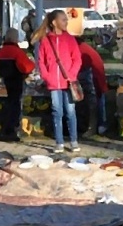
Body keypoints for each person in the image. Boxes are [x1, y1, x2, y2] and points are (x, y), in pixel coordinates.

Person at [32, 9, 84, 152]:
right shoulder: (45, 40)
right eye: (63, 19)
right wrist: (47, 77)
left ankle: (73, 140)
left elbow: (77, 59)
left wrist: (72, 75)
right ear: (54, 22)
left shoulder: (70, 39)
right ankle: (59, 142)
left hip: (68, 82)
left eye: (66, 19)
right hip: (53, 83)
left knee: (70, 111)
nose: (66, 22)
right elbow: (41, 61)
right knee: (57, 111)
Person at [0, 28, 35, 142]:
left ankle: (6, 129)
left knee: (10, 103)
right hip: (16, 80)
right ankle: (11, 130)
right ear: (15, 38)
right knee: (16, 105)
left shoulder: (1, 51)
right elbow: (27, 66)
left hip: (6, 81)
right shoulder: (17, 51)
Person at [75, 35, 108, 139]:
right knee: (98, 100)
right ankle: (100, 126)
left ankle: (92, 127)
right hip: (95, 72)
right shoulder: (82, 46)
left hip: (93, 74)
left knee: (92, 101)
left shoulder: (77, 47)